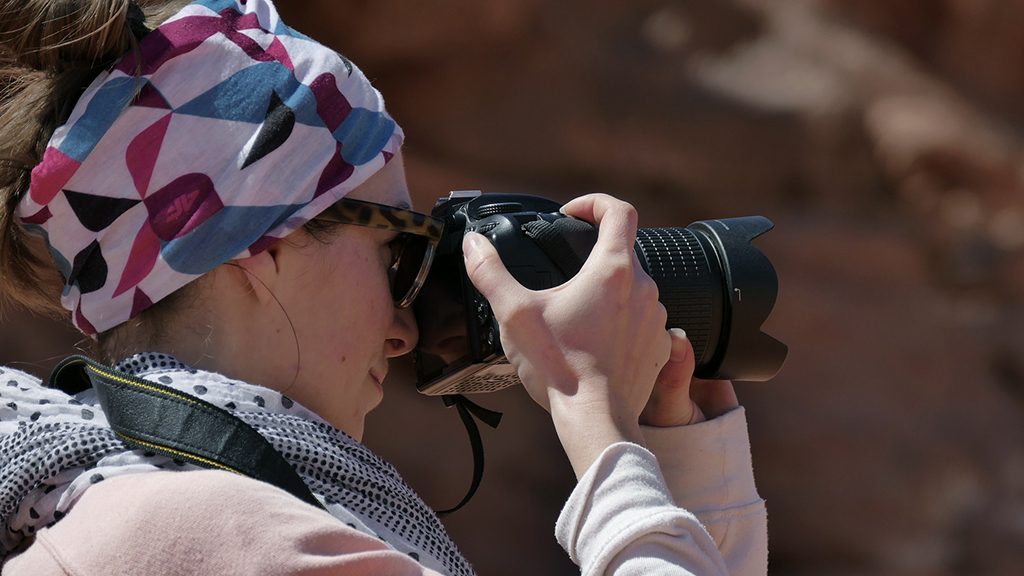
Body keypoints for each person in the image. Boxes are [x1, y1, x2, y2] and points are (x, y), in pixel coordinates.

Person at [0, 0, 768, 574]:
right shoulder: (203, 527)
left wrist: (686, 465)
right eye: (399, 251)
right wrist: (594, 411)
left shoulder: (133, 501)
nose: (404, 330)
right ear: (262, 248)